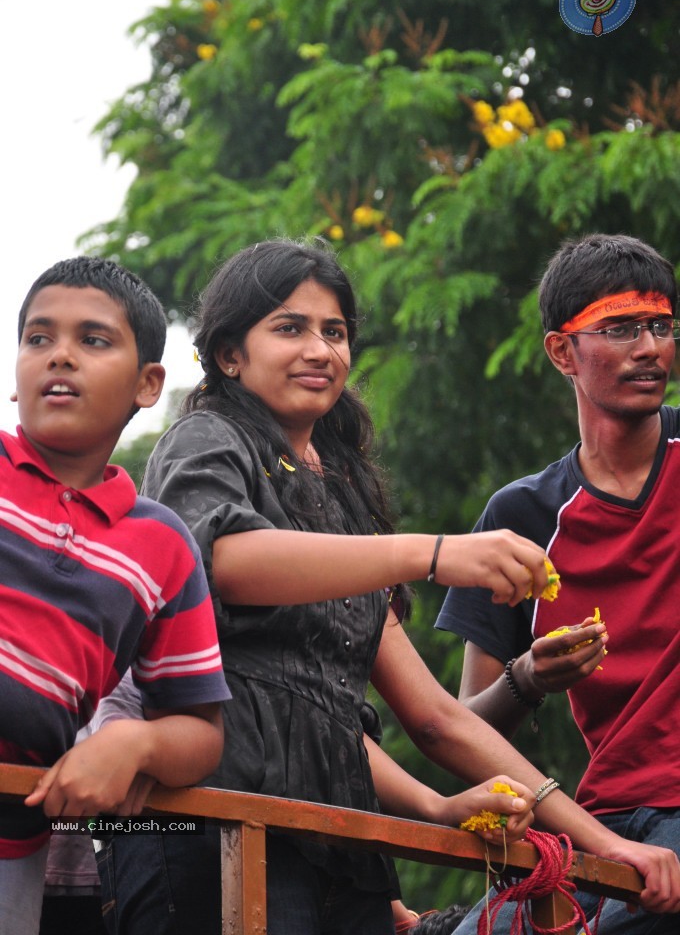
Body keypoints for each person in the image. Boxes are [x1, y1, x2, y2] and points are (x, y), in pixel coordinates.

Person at [99, 239, 680, 935]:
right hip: (220, 825)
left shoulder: (341, 499)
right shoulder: (206, 441)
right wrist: (428, 553)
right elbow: (223, 558)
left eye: (335, 332)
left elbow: (423, 716)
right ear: (229, 355)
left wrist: (585, 838)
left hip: (341, 842)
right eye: (290, 328)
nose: (319, 349)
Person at [436, 232, 680, 933]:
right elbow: (462, 731)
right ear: (561, 352)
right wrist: (529, 678)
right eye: (621, 328)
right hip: (602, 815)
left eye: (661, 326)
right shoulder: (521, 516)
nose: (650, 348)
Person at [0, 257, 230, 935]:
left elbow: (200, 732)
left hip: (14, 836)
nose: (59, 356)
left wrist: (131, 744)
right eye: (38, 338)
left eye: (92, 340)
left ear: (148, 383)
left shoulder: (161, 546)